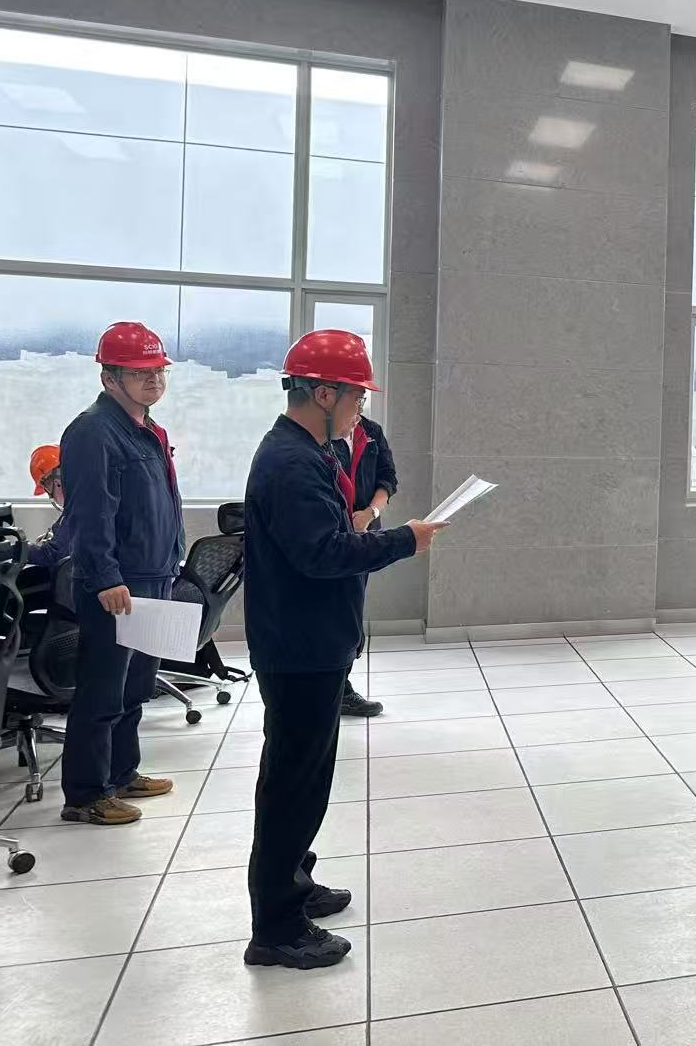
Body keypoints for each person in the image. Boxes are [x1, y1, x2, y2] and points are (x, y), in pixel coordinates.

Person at [242, 330, 447, 970]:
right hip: (298, 648)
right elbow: (324, 553)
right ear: (324, 393)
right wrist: (405, 540)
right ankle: (276, 929)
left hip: (312, 643)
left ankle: (294, 884)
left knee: (306, 780)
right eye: (357, 396)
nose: (362, 408)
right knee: (293, 785)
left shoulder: (309, 452)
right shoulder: (292, 462)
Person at [56, 321, 186, 826]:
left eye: (158, 370)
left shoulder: (146, 428)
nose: (153, 379)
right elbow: (91, 513)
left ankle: (121, 771)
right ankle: (86, 794)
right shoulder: (93, 431)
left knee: (135, 687)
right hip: (119, 583)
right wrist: (106, 576)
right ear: (109, 378)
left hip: (153, 575)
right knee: (103, 690)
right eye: (139, 372)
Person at [328, 413, 399, 719]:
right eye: (355, 396)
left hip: (364, 531)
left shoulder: (370, 431)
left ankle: (341, 687)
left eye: (362, 399)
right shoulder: (320, 433)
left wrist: (370, 513)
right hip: (332, 533)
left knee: (352, 608)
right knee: (331, 609)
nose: (358, 405)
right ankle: (333, 687)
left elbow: (388, 479)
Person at [26, 444, 72, 571]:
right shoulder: (80, 503)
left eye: (45, 486)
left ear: (57, 482)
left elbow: (52, 554)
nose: (49, 494)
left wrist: (17, 550)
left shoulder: (78, 509)